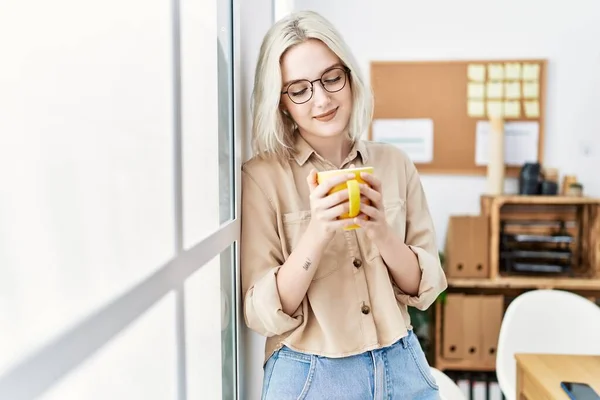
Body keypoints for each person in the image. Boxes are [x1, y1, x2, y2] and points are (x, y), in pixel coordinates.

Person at [241, 10, 447, 400]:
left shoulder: (394, 163)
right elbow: (261, 312)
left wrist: (381, 232)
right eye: (299, 89)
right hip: (310, 371)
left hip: (403, 363)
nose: (321, 99)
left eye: (331, 77)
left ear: (350, 76)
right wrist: (317, 232)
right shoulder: (262, 177)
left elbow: (425, 286)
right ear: (282, 102)